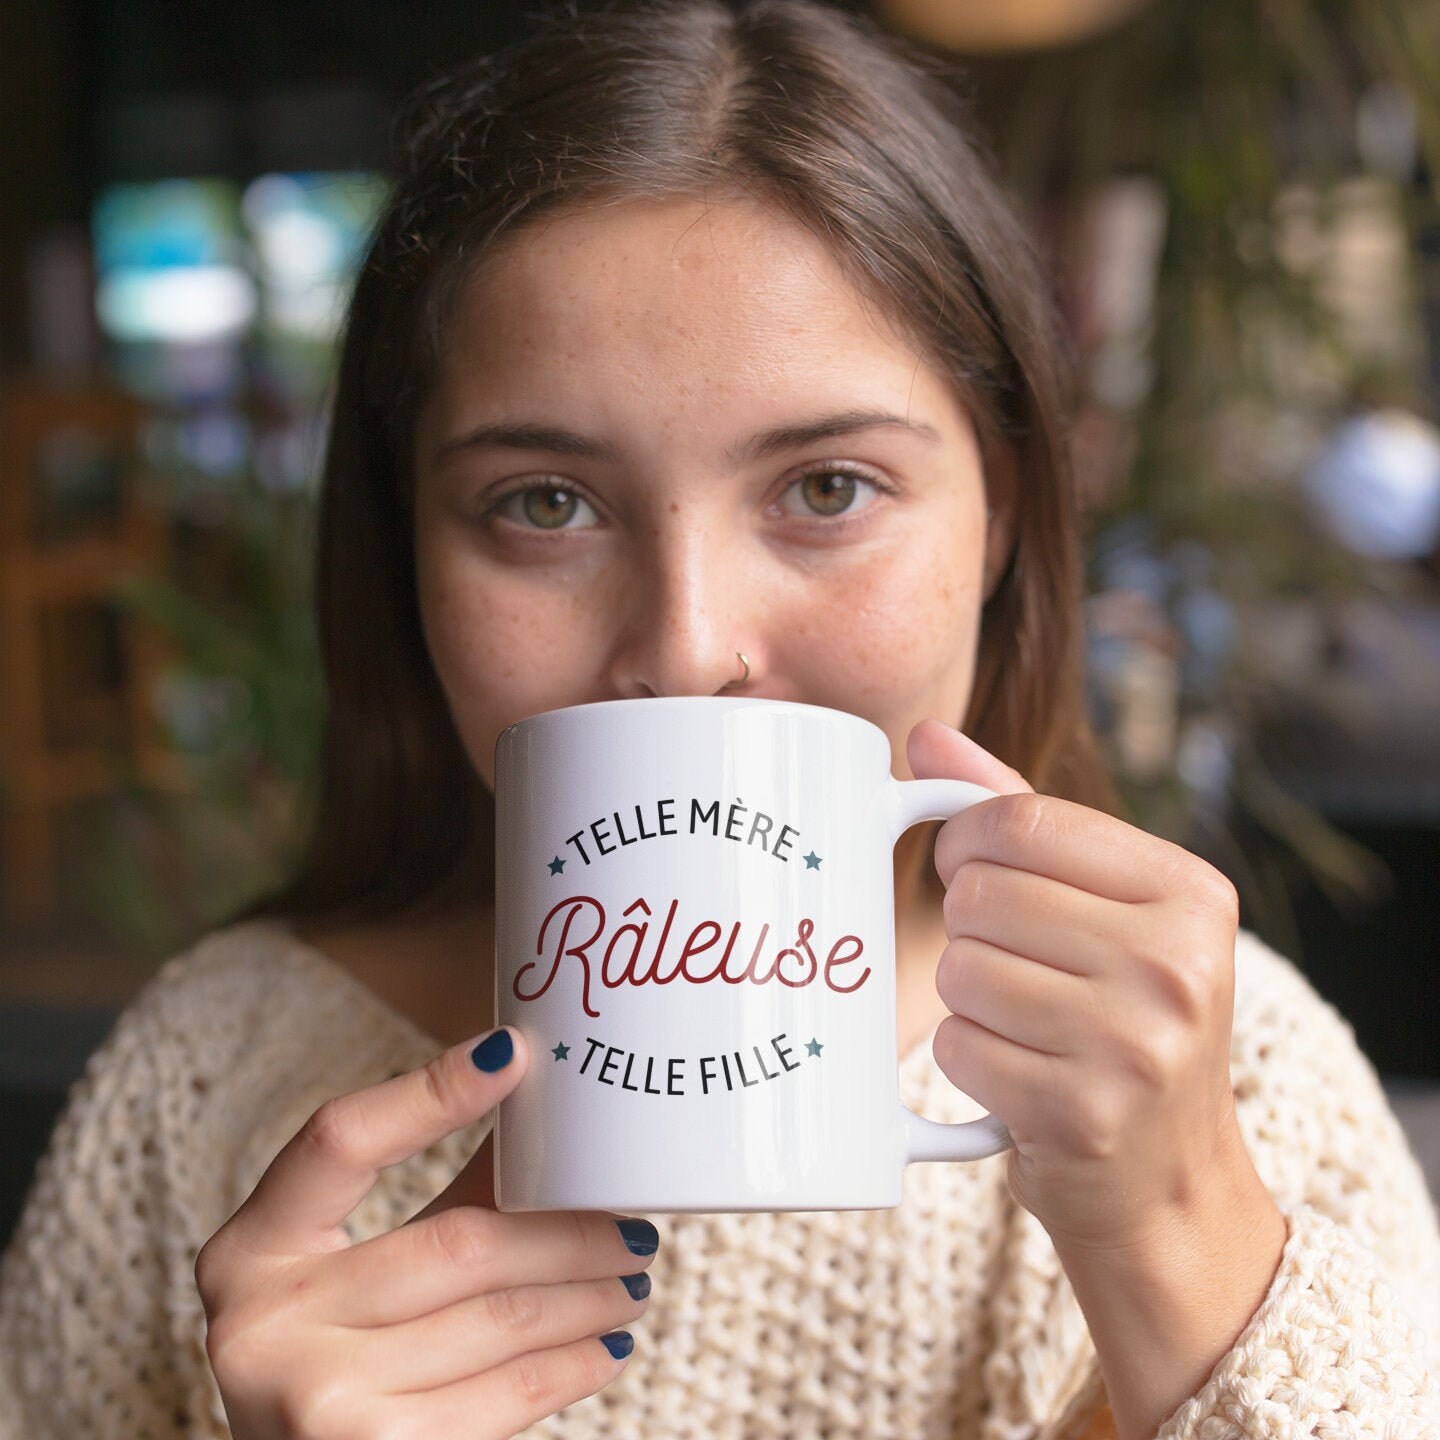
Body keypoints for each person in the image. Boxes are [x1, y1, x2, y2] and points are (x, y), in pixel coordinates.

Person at [2, 2, 1437, 1435]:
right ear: (408, 552)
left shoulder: (1240, 1077)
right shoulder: (205, 1083)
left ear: (1000, 515)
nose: (687, 649)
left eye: (826, 489)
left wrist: (1181, 1253)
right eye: (543, 504)